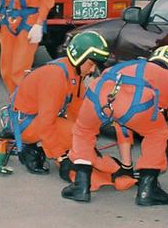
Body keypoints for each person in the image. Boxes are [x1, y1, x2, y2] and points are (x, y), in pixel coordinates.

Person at [63, 45, 168, 206]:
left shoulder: (131, 65)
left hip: (98, 92)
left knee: (83, 130)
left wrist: (126, 165)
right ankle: (147, 190)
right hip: (135, 101)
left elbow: (122, 121)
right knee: (157, 133)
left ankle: (80, 185)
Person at [7, 31, 111, 174]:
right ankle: (31, 148)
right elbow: (46, 125)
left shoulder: (75, 72)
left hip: (39, 117)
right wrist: (62, 157)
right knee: (76, 136)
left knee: (82, 135)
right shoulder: (55, 77)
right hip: (24, 122)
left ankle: (44, 145)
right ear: (78, 58)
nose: (93, 70)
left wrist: (86, 137)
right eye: (91, 64)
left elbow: (76, 108)